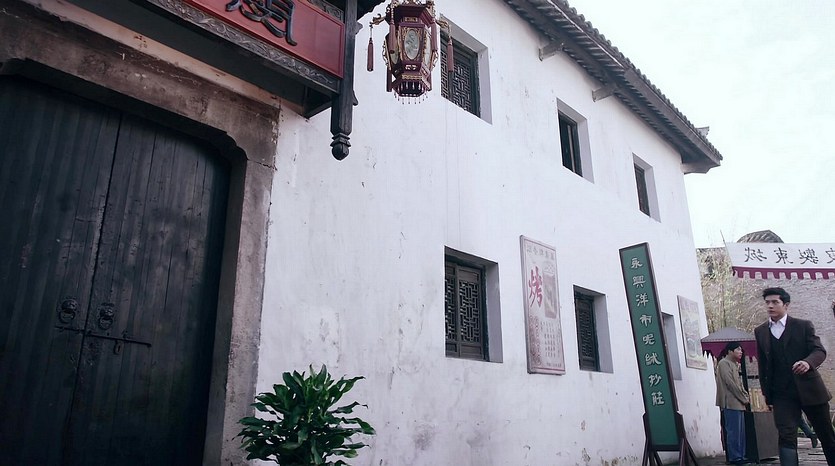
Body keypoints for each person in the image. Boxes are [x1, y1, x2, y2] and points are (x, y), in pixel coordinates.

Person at [754, 287, 835, 465]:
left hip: (811, 390)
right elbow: (763, 364)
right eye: (767, 302)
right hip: (782, 394)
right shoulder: (760, 331)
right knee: (786, 435)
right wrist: (767, 395)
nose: (770, 306)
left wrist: (808, 363)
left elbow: (819, 351)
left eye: (775, 302)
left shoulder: (803, 326)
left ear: (786, 305)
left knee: (826, 435)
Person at [716, 341, 750, 465]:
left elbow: (739, 384)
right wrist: (743, 398)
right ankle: (735, 457)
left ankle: (741, 455)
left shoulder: (734, 364)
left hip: (739, 403)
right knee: (733, 431)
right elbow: (730, 383)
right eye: (738, 349)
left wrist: (745, 395)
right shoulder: (724, 363)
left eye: (741, 350)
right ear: (730, 351)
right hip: (730, 402)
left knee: (740, 432)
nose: (740, 352)